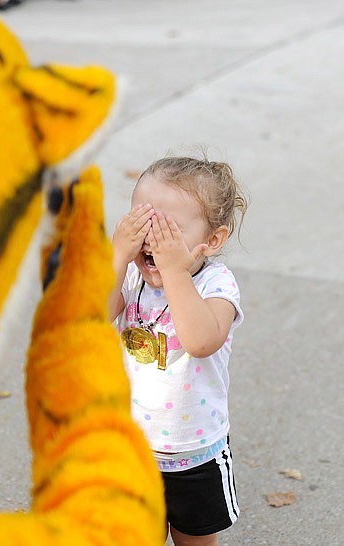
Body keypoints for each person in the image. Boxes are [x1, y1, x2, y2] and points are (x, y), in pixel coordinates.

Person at [108, 156, 248, 546]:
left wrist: (174, 272)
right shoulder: (131, 273)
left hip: (195, 453)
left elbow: (201, 341)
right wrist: (117, 256)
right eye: (144, 223)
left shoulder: (216, 285)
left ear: (214, 240)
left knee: (195, 540)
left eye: (169, 231)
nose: (153, 241)